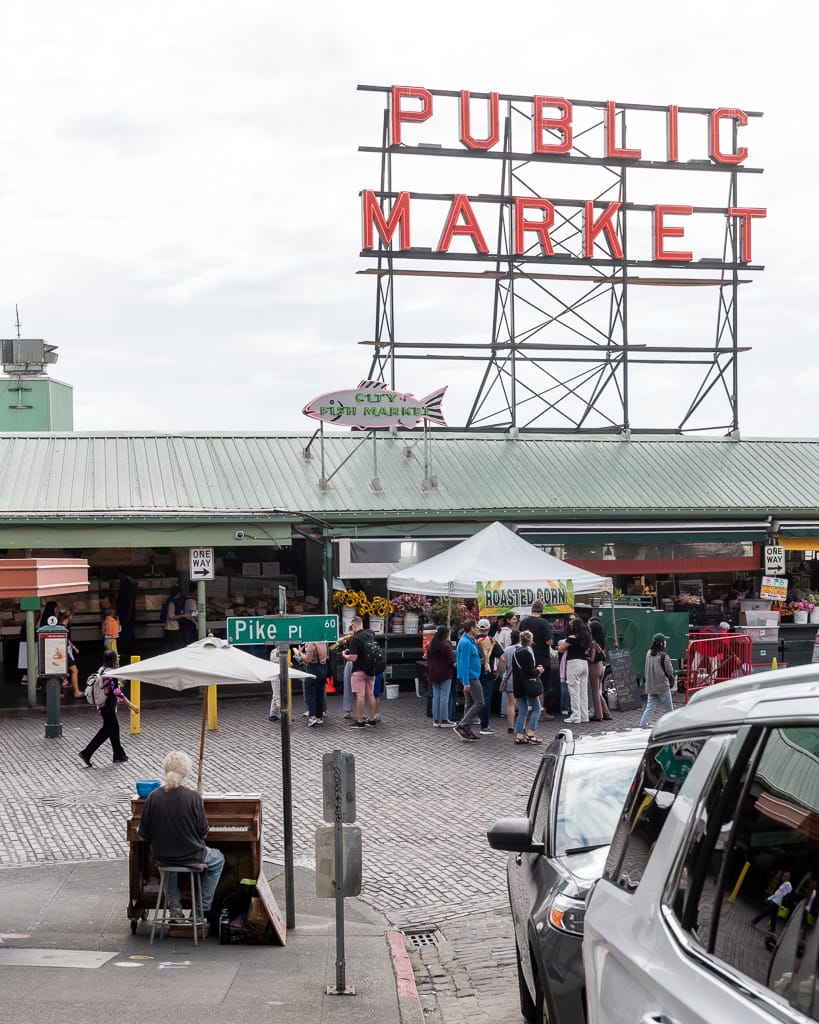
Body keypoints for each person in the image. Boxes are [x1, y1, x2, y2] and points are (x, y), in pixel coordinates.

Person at [138, 750, 225, 923]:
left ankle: (175, 909)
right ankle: (200, 910)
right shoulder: (193, 797)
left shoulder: (153, 797)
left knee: (167, 862)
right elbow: (203, 833)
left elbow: (143, 835)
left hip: (162, 857)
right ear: (185, 772)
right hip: (191, 855)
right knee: (218, 860)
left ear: (165, 769)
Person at [79, 649, 138, 767]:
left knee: (114, 728)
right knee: (106, 730)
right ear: (113, 660)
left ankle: (118, 754)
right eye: (117, 656)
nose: (119, 657)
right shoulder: (111, 673)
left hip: (102, 705)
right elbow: (117, 692)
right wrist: (131, 705)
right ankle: (87, 753)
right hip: (108, 705)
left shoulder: (101, 669)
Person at [519, 600, 556, 719]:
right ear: (542, 610)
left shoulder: (524, 622)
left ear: (532, 609)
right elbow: (549, 641)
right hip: (541, 657)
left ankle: (528, 712)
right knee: (541, 686)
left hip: (526, 656)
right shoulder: (543, 623)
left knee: (528, 684)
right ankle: (540, 712)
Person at [343, 616, 378, 728]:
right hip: (371, 670)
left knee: (360, 696)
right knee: (371, 695)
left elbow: (353, 658)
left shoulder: (355, 639)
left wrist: (345, 656)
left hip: (359, 670)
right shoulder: (370, 636)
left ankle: (360, 721)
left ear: (354, 625)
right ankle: (372, 720)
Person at [511, 629, 544, 744]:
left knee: (522, 711)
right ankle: (531, 733)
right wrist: (538, 670)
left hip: (518, 685)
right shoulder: (527, 653)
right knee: (537, 708)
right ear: (530, 640)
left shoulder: (515, 652)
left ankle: (519, 735)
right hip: (528, 686)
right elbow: (530, 672)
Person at [558, 614, 592, 724]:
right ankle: (584, 716)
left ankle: (575, 716)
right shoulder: (586, 638)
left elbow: (561, 649)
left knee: (573, 690)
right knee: (583, 691)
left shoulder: (572, 638)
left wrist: (560, 646)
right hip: (584, 664)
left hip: (573, 663)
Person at [453, 619, 483, 741]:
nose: (477, 629)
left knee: (470, 703)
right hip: (470, 677)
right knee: (480, 702)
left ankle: (467, 730)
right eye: (476, 627)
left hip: (471, 675)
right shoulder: (466, 643)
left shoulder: (469, 641)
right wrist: (466, 682)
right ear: (471, 628)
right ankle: (462, 725)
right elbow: (464, 663)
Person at [639, 632, 676, 729]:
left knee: (649, 707)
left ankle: (643, 724)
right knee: (669, 710)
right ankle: (672, 727)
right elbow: (670, 671)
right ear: (661, 643)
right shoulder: (664, 656)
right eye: (664, 641)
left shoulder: (648, 653)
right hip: (662, 686)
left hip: (651, 686)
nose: (665, 642)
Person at [427, 624, 455, 727]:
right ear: (445, 634)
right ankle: (444, 720)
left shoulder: (431, 645)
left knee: (436, 696)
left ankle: (436, 720)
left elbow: (428, 660)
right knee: (444, 697)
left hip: (433, 673)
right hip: (445, 673)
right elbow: (451, 661)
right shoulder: (446, 645)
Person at [587, 617, 611, 722]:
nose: (588, 629)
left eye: (590, 627)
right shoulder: (601, 641)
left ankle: (598, 714)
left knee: (595, 692)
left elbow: (592, 659)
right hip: (601, 666)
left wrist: (585, 657)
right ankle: (606, 712)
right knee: (598, 691)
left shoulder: (593, 643)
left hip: (594, 667)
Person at [497, 628, 521, 734]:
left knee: (511, 704)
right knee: (522, 704)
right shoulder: (526, 649)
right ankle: (521, 725)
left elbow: (502, 661)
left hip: (510, 678)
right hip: (522, 679)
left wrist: (498, 673)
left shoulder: (507, 650)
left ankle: (510, 726)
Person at [476, 618, 497, 735]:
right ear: (489, 628)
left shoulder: (472, 640)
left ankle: (470, 721)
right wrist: (497, 673)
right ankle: (484, 726)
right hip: (488, 673)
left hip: (475, 672)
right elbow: (502, 658)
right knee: (486, 699)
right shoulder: (492, 640)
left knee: (473, 698)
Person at [301, 639, 330, 726]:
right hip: (323, 669)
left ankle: (312, 717)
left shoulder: (312, 644)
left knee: (311, 694)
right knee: (320, 694)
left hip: (313, 670)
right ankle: (319, 716)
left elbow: (308, 659)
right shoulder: (324, 643)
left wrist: (300, 653)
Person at [58, 608, 83, 698]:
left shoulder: (61, 627)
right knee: (74, 670)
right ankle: (76, 692)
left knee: (62, 672)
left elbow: (66, 639)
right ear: (68, 617)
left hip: (62, 652)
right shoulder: (63, 628)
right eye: (71, 616)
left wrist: (73, 647)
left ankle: (59, 691)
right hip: (63, 652)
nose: (72, 617)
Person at [115, 569, 138, 658]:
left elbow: (131, 601)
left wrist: (129, 613)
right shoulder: (125, 585)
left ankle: (128, 650)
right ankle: (127, 649)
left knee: (126, 631)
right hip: (124, 612)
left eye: (120, 576)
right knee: (126, 631)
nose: (119, 578)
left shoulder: (127, 586)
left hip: (126, 612)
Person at [161, 586, 186, 651]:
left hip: (168, 627)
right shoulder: (172, 603)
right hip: (172, 627)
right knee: (178, 646)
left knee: (168, 647)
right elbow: (171, 616)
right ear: (178, 593)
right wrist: (183, 615)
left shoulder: (169, 600)